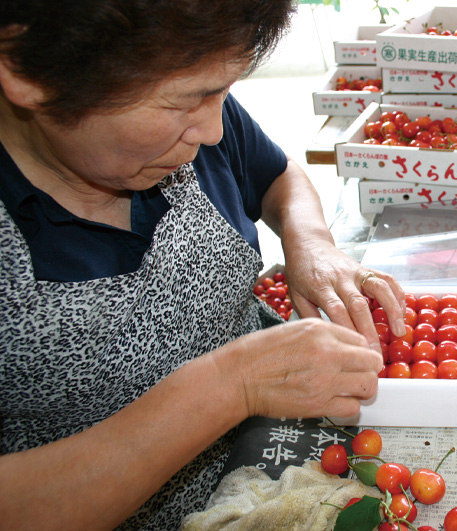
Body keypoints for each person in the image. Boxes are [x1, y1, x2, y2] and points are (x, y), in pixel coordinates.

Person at [0, 1, 406, 529]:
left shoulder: (196, 122)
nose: (213, 130)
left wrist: (310, 242)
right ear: (28, 71)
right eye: (185, 101)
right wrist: (229, 385)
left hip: (265, 463)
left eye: (224, 90)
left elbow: (281, 176)